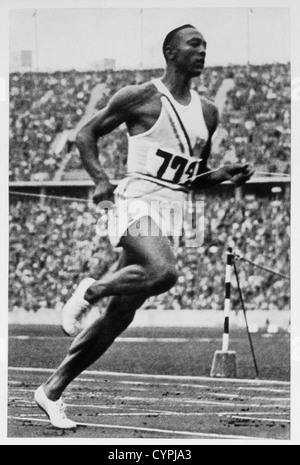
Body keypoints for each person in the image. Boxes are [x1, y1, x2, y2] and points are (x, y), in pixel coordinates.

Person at [35, 24, 254, 429]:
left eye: (205, 45)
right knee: (163, 271)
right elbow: (86, 134)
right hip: (134, 201)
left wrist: (223, 173)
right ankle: (91, 289)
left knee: (119, 317)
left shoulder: (209, 112)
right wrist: (100, 179)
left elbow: (189, 177)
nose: (203, 51)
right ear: (171, 52)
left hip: (172, 213)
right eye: (194, 44)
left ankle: (50, 391)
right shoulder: (141, 97)